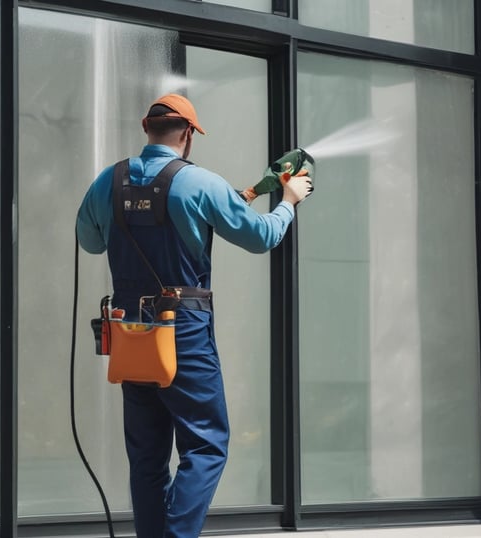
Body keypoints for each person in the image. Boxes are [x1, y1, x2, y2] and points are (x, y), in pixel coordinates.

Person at [76, 93, 312, 538]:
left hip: (130, 332)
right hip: (181, 330)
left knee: (147, 456)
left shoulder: (109, 180)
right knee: (206, 445)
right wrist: (288, 201)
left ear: (146, 128)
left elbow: (90, 242)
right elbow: (261, 236)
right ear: (188, 133)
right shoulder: (200, 182)